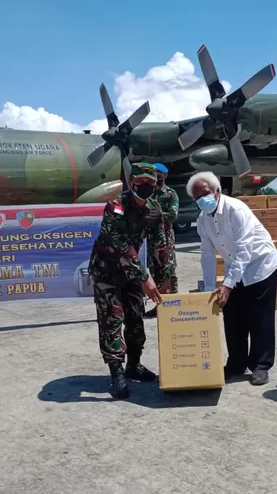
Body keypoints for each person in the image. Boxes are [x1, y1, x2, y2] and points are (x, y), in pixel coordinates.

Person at [88, 162, 173, 399]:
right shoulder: (115, 207)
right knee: (112, 321)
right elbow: (120, 245)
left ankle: (133, 365)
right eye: (141, 182)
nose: (146, 187)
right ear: (132, 183)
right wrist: (145, 277)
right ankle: (116, 373)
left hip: (131, 275)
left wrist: (164, 274)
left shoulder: (154, 209)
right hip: (107, 273)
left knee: (136, 320)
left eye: (151, 183)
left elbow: (159, 243)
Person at [191, 171, 277, 386]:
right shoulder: (203, 220)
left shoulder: (236, 209)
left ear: (216, 191)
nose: (202, 200)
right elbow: (206, 254)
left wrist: (228, 284)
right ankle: (236, 363)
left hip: (260, 265)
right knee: (232, 316)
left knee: (260, 318)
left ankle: (260, 365)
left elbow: (244, 251)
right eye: (196, 198)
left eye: (205, 194)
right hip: (235, 267)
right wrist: (210, 287)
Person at [144, 162, 180, 318]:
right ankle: (160, 305)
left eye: (158, 173)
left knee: (169, 269)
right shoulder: (148, 193)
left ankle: (173, 303)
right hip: (151, 237)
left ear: (164, 175)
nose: (155, 176)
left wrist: (156, 215)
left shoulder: (170, 194)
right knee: (154, 269)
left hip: (166, 237)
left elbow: (173, 215)